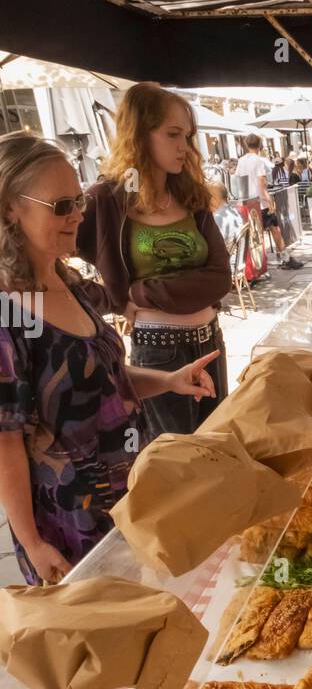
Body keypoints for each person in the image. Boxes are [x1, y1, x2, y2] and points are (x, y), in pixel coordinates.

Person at [0, 132, 218, 584]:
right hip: (71, 528)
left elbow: (106, 382)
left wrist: (170, 379)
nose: (79, 215)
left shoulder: (70, 283)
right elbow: (5, 446)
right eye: (61, 206)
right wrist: (33, 543)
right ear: (9, 210)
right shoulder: (8, 314)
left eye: (78, 200)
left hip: (129, 500)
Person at [75, 81, 231, 440]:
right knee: (177, 462)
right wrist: (108, 299)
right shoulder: (107, 200)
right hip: (158, 352)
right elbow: (46, 256)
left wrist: (137, 294)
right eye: (173, 134)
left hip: (210, 341)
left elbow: (221, 278)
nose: (184, 147)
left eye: (187, 136)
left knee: (218, 450)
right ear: (139, 135)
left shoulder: (190, 192)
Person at [235, 133, 302, 271]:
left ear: (246, 145)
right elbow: (262, 182)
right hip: (260, 202)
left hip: (247, 202)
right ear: (260, 145)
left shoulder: (241, 161)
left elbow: (238, 181)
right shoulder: (258, 161)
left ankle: (257, 265)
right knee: (275, 229)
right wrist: (269, 200)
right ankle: (285, 258)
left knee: (255, 235)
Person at [209, 182, 244, 246]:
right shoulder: (236, 211)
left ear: (213, 198)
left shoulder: (218, 218)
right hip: (239, 254)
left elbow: (213, 246)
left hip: (228, 254)